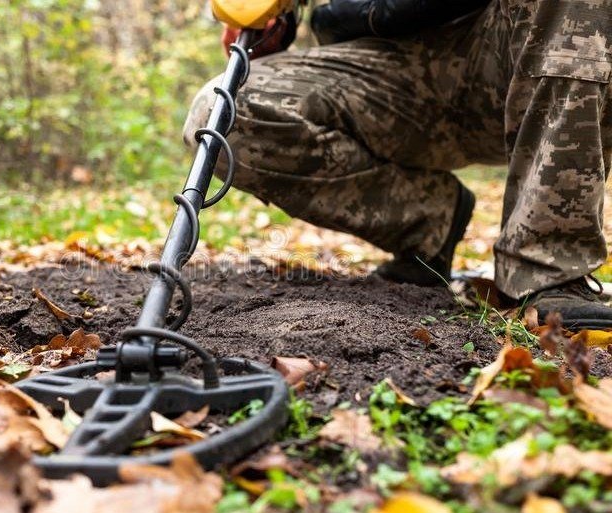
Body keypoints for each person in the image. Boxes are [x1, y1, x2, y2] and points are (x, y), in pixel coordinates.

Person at [184, 0, 612, 329]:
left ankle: (548, 266)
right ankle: (430, 222)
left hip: (513, 46)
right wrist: (278, 24)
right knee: (221, 112)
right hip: (379, 66)